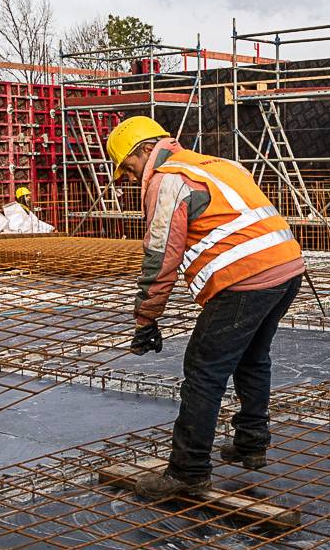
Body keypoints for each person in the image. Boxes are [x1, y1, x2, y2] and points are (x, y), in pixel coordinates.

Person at [107, 115, 305, 499]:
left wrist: (146, 318)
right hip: (288, 269)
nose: (130, 178)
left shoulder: (168, 181)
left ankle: (188, 470)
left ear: (146, 150)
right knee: (252, 357)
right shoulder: (215, 164)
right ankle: (251, 442)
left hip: (246, 279)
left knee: (203, 370)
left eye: (128, 167)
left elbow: (161, 257)